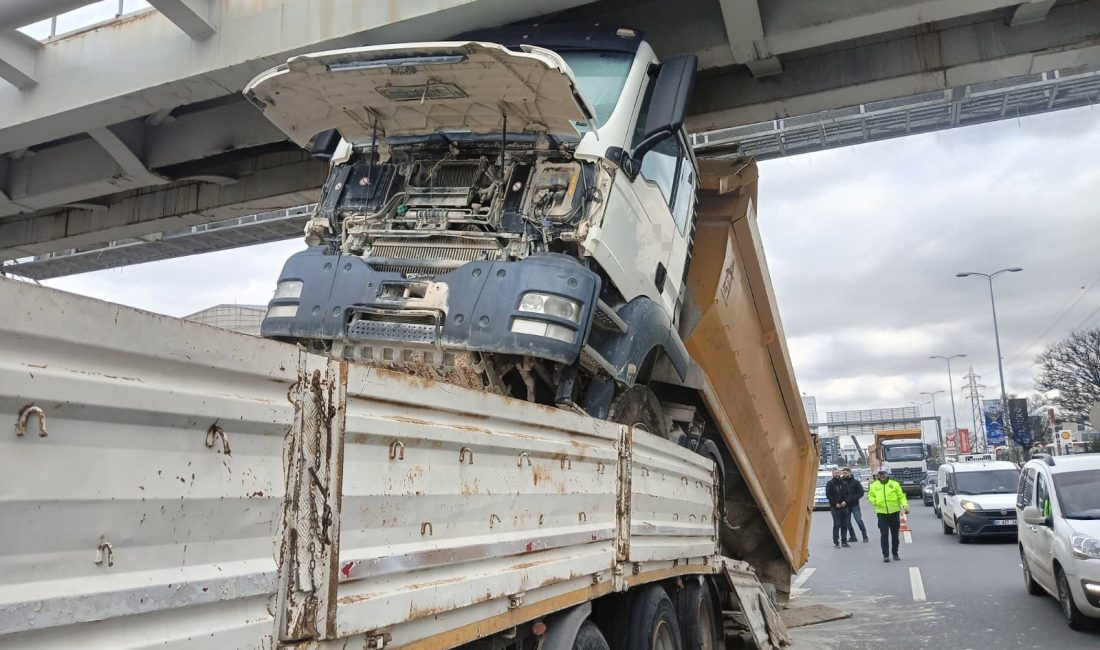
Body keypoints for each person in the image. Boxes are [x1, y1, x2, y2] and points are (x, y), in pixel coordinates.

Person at [866, 467, 909, 562]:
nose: (882, 476)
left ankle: (895, 553)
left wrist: (905, 505)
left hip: (894, 512)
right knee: (884, 534)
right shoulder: (874, 485)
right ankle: (885, 555)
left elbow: (901, 496)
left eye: (883, 474)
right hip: (882, 513)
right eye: (880, 474)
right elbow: (870, 496)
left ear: (887, 474)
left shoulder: (894, 484)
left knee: (895, 535)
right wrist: (875, 501)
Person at [841, 467, 869, 543]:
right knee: (847, 522)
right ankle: (853, 536)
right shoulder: (841, 482)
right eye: (843, 473)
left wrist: (853, 498)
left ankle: (865, 536)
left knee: (858, 520)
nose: (844, 474)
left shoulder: (855, 482)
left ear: (850, 473)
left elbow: (861, 493)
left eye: (846, 473)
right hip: (845, 505)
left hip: (854, 505)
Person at [825, 468, 850, 548]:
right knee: (837, 524)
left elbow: (848, 494)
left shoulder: (844, 483)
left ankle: (844, 541)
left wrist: (845, 501)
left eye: (838, 473)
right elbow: (829, 495)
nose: (837, 474)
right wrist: (835, 503)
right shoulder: (830, 483)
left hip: (844, 507)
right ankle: (836, 542)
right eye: (835, 473)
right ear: (832, 474)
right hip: (835, 507)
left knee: (844, 524)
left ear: (840, 474)